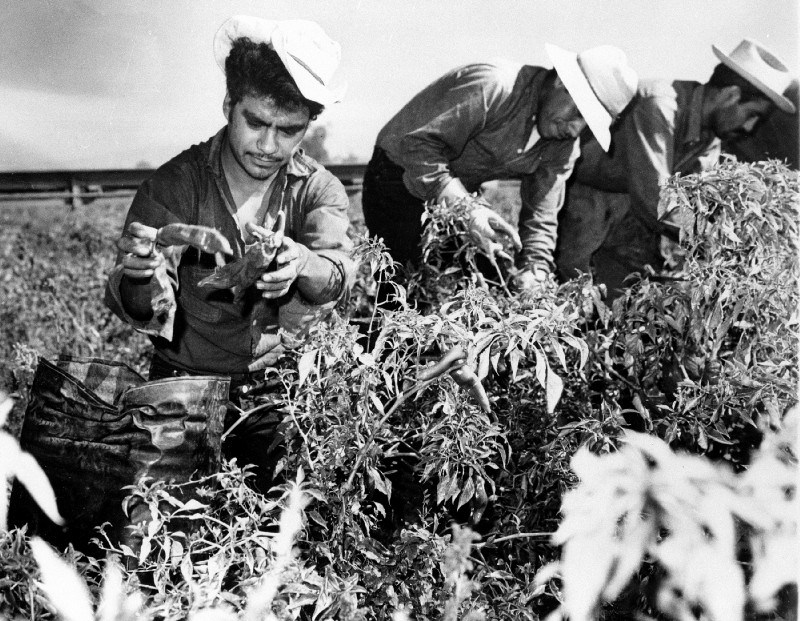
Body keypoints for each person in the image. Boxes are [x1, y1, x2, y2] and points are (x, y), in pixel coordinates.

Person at [105, 15, 355, 493]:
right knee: (156, 520)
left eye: (289, 130)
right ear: (228, 106)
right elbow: (138, 308)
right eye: (256, 123)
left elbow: (338, 274)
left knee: (290, 517)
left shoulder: (318, 189)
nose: (268, 145)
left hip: (275, 390)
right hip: (181, 383)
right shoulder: (176, 183)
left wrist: (301, 263)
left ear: (309, 126)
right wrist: (139, 275)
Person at [362, 43, 638, 296]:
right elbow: (417, 147)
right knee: (406, 296)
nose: (575, 129)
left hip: (453, 198)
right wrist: (468, 209)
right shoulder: (495, 86)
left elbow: (542, 213)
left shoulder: (564, 144)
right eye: (577, 113)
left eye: (587, 124)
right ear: (560, 82)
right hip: (397, 177)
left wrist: (535, 270)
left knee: (490, 291)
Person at [553, 39, 797, 299]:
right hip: (584, 200)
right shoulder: (659, 105)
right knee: (573, 299)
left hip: (630, 209)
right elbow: (655, 200)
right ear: (730, 95)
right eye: (752, 115)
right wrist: (718, 244)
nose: (749, 128)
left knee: (633, 300)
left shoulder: (710, 139)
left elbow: (697, 203)